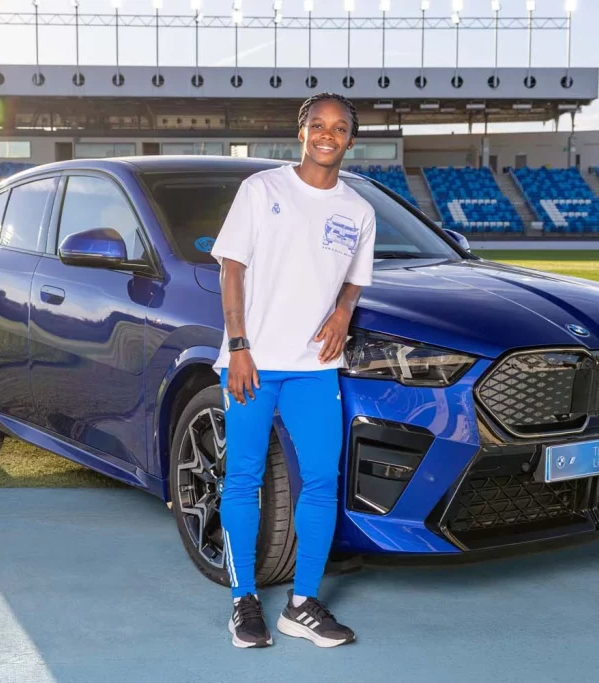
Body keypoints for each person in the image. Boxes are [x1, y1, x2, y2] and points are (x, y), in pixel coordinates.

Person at [210, 93, 376, 649]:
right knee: (243, 480)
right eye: (319, 125)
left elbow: (354, 277)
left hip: (314, 368)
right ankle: (244, 601)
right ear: (301, 131)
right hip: (252, 362)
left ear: (351, 138)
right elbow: (232, 269)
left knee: (323, 480)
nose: (329, 135)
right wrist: (237, 344)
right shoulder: (262, 190)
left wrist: (345, 310)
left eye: (340, 127)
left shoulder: (358, 211)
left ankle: (302, 603)